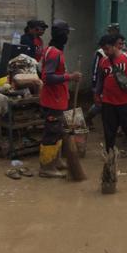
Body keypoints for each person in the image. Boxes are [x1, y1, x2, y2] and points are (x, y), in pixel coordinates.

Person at [38, 20, 84, 179]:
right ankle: (46, 167)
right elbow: (47, 77)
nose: (68, 37)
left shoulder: (52, 50)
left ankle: (56, 161)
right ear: (63, 35)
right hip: (53, 101)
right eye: (67, 34)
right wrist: (70, 77)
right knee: (51, 133)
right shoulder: (54, 53)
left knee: (57, 131)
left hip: (58, 99)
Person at [95, 33, 127, 160]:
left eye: (107, 49)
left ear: (114, 46)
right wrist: (96, 94)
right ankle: (109, 151)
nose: (105, 52)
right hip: (108, 101)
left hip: (126, 100)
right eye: (103, 50)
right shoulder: (103, 61)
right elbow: (101, 79)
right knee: (109, 129)